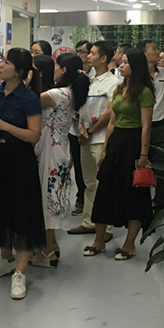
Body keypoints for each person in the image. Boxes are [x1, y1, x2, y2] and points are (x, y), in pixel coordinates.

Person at [0, 48, 45, 300]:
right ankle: (5, 258)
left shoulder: (29, 98)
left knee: (21, 212)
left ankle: (20, 270)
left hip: (20, 161)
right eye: (2, 61)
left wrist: (5, 125)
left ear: (18, 71)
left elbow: (34, 135)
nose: (0, 65)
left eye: (6, 62)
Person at [83, 48, 154, 260]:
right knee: (105, 191)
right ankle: (99, 241)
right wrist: (105, 148)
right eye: (121, 62)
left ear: (136, 66)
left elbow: (146, 126)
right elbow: (112, 122)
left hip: (133, 143)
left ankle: (129, 245)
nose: (121, 66)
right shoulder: (119, 89)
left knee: (134, 195)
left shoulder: (144, 92)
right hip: (116, 142)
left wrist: (143, 155)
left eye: (126, 62)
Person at [31, 53, 89, 267]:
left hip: (50, 150)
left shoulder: (57, 94)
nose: (54, 70)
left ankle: (47, 251)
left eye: (57, 66)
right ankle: (52, 244)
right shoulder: (71, 93)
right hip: (60, 148)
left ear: (63, 70)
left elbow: (29, 100)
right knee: (53, 197)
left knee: (47, 199)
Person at [69, 41, 118, 241]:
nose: (88, 56)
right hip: (85, 138)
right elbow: (80, 108)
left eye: (92, 53)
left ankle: (106, 228)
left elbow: (109, 113)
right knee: (89, 183)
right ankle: (89, 222)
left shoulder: (113, 82)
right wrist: (81, 127)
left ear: (103, 58)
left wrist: (90, 130)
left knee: (103, 185)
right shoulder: (88, 81)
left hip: (100, 139)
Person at [138, 40, 164, 212]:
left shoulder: (163, 73)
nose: (158, 52)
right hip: (140, 125)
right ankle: (141, 203)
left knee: (163, 166)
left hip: (161, 124)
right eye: (154, 49)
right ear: (144, 54)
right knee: (140, 164)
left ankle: (159, 202)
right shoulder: (135, 74)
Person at [70, 40, 93, 216]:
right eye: (77, 51)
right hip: (74, 127)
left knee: (90, 167)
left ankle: (91, 201)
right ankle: (81, 197)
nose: (79, 55)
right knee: (78, 164)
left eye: (82, 52)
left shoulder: (95, 75)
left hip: (92, 127)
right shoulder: (73, 75)